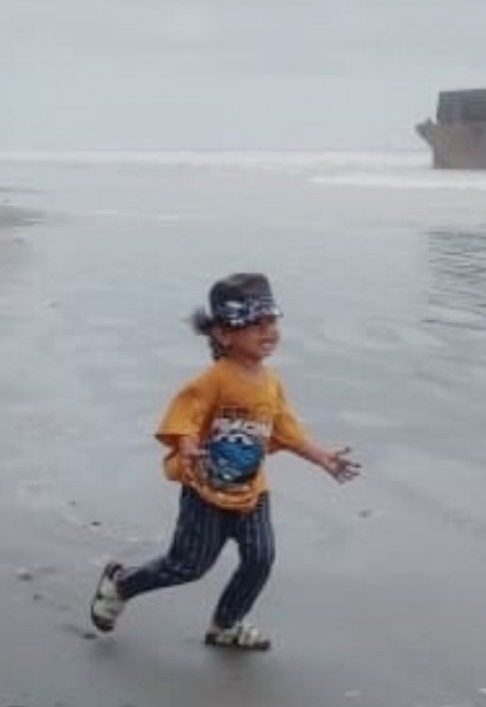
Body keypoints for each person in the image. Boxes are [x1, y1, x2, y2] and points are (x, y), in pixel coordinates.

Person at [88, 273, 361, 650]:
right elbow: (188, 413)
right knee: (187, 566)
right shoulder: (214, 380)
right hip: (205, 490)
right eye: (255, 324)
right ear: (224, 334)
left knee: (260, 558)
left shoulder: (271, 383)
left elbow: (285, 427)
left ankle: (226, 624)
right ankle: (121, 584)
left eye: (272, 321)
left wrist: (321, 457)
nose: (269, 331)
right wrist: (185, 444)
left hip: (251, 491)